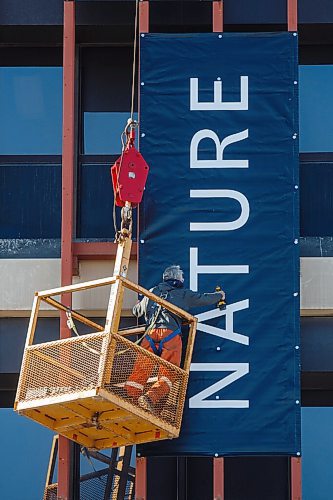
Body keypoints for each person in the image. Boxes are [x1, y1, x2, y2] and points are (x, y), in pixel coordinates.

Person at [124, 265, 225, 412]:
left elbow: (136, 311)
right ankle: (150, 398)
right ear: (178, 278)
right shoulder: (183, 294)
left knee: (141, 369)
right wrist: (220, 296)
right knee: (169, 373)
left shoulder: (152, 292)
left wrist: (140, 303)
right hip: (170, 337)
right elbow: (203, 299)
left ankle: (129, 397)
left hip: (150, 335)